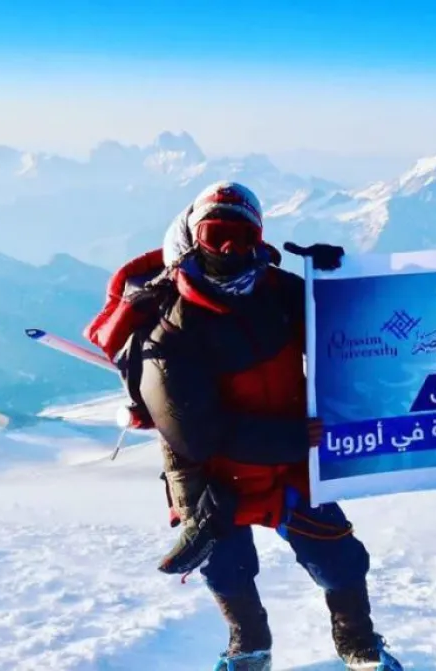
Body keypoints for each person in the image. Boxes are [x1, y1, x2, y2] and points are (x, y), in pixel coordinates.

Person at [124, 182, 403, 671]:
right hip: (215, 478)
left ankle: (357, 644)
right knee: (227, 568)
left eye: (243, 236)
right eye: (216, 236)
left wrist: (337, 282)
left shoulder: (276, 292)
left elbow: (346, 331)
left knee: (338, 557)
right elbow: (196, 436)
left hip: (291, 463)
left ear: (259, 237)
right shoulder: (168, 327)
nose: (230, 249)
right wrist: (292, 438)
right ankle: (249, 648)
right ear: (192, 240)